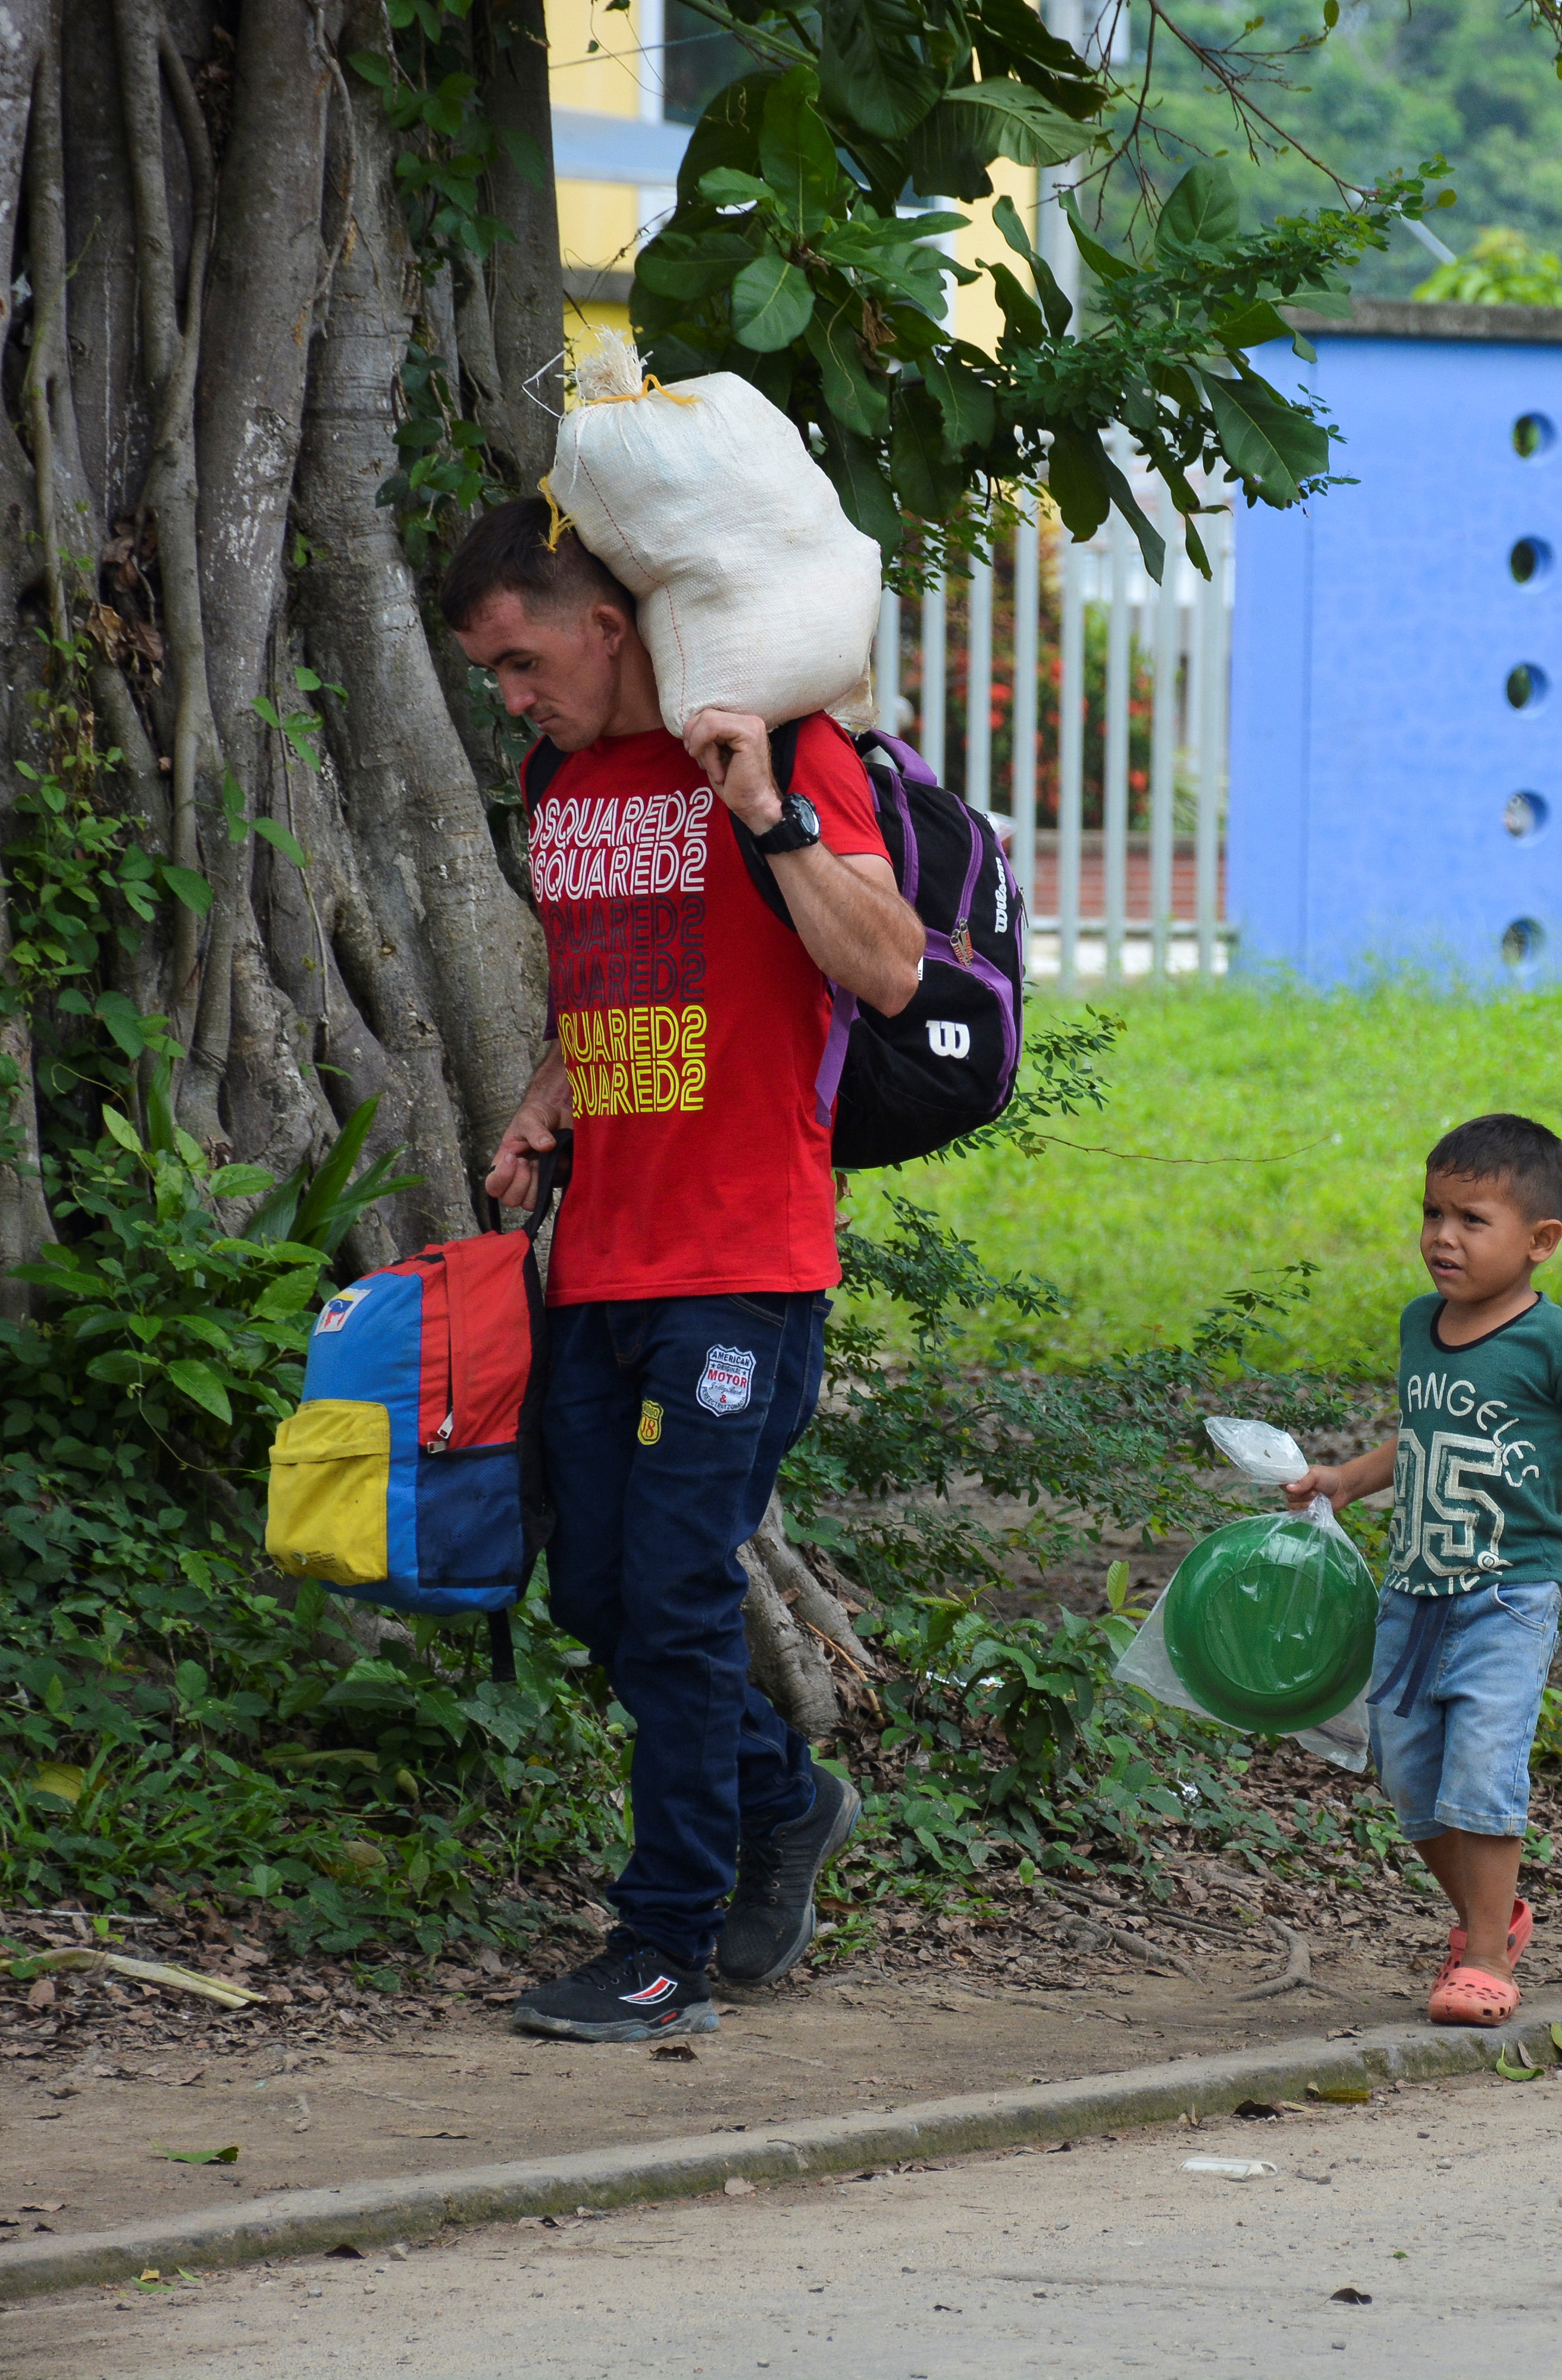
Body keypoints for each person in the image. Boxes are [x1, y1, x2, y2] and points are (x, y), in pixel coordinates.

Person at [439, 499, 928, 2043]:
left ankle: (666, 1944)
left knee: (671, 1589)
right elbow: (617, 977)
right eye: (491, 676)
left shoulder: (776, 753)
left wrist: (769, 811)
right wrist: (544, 1099)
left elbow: (894, 968)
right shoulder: (555, 777)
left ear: (603, 622)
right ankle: (784, 1807)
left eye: (523, 659)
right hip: (600, 1262)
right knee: (596, 1586)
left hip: (741, 1266)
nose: (512, 699)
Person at [1284, 1114, 1562, 2027]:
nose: (1442, 1236)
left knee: (1481, 1769)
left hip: (1506, 1596)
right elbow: (1426, 1434)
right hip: (1411, 1592)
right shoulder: (1420, 1326)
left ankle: (1480, 1960)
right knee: (1407, 1777)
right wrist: (1346, 1480)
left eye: (1472, 1219)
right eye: (1432, 1213)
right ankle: (1494, 1917)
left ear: (1540, 1241)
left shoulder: (1561, 1345)